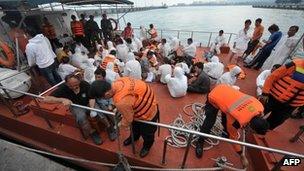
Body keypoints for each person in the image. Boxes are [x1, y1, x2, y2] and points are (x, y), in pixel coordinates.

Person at [89, 77, 159, 158]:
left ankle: (147, 146)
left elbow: (128, 119)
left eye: (102, 98)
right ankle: (134, 137)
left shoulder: (121, 102)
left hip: (148, 115)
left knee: (147, 134)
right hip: (145, 103)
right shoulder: (120, 80)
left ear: (107, 94)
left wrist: (118, 125)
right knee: (135, 128)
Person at [195, 84, 269, 158]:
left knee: (226, 115)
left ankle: (225, 132)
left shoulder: (260, 107)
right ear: (252, 128)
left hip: (226, 91)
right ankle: (200, 141)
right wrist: (241, 155)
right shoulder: (235, 122)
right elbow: (233, 138)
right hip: (215, 95)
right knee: (210, 121)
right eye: (253, 132)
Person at [44, 74, 102, 145]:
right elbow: (46, 99)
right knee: (81, 118)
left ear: (79, 81)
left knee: (99, 111)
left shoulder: (84, 84)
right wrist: (62, 99)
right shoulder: (63, 88)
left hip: (88, 103)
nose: (74, 87)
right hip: (76, 106)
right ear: (67, 84)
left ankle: (109, 127)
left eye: (76, 85)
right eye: (71, 86)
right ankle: (92, 132)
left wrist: (92, 109)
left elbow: (91, 97)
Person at [261, 59, 304, 130]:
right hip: (272, 97)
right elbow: (273, 76)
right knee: (256, 114)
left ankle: (264, 131)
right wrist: (265, 93)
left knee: (276, 122)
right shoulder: (294, 65)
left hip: (290, 106)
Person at [90, 67, 117, 141]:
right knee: (99, 113)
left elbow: (112, 94)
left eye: (99, 77)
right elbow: (92, 97)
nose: (96, 79)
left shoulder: (109, 82)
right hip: (97, 101)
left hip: (107, 100)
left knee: (108, 110)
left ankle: (115, 124)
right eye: (95, 77)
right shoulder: (93, 83)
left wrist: (110, 104)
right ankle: (109, 127)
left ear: (104, 77)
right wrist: (93, 108)